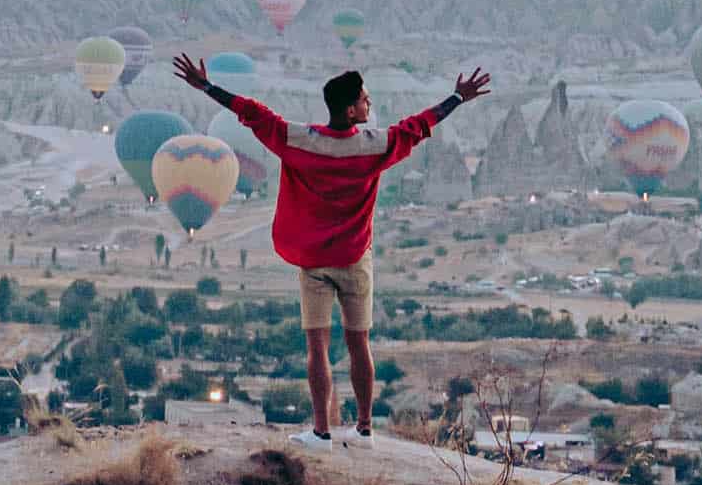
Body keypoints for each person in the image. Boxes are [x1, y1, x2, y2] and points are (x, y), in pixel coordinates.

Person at [174, 54, 490, 452]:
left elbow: (251, 114)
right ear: (350, 108)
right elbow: (420, 125)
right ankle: (363, 430)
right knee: (359, 345)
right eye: (364, 99)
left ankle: (321, 432)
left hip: (313, 261)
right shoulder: (375, 145)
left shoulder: (298, 140)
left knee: (317, 347)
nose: (369, 105)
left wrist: (205, 87)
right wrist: (457, 98)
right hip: (355, 259)